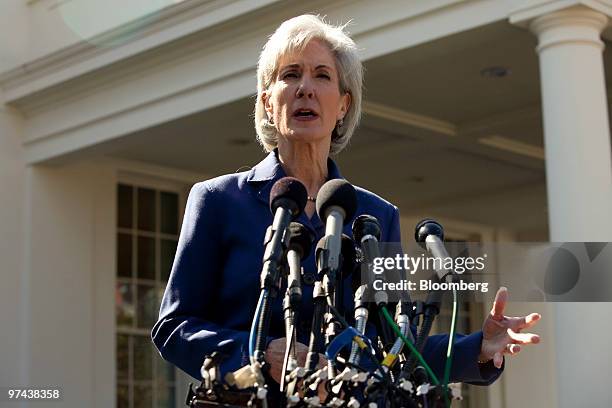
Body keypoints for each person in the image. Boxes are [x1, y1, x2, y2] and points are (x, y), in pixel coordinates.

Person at [151, 14, 541, 389]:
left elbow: (396, 345)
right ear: (268, 102)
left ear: (342, 106)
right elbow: (174, 327)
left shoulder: (377, 215)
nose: (306, 88)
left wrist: (479, 347)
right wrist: (259, 352)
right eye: (291, 75)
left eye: (322, 76)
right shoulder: (217, 200)